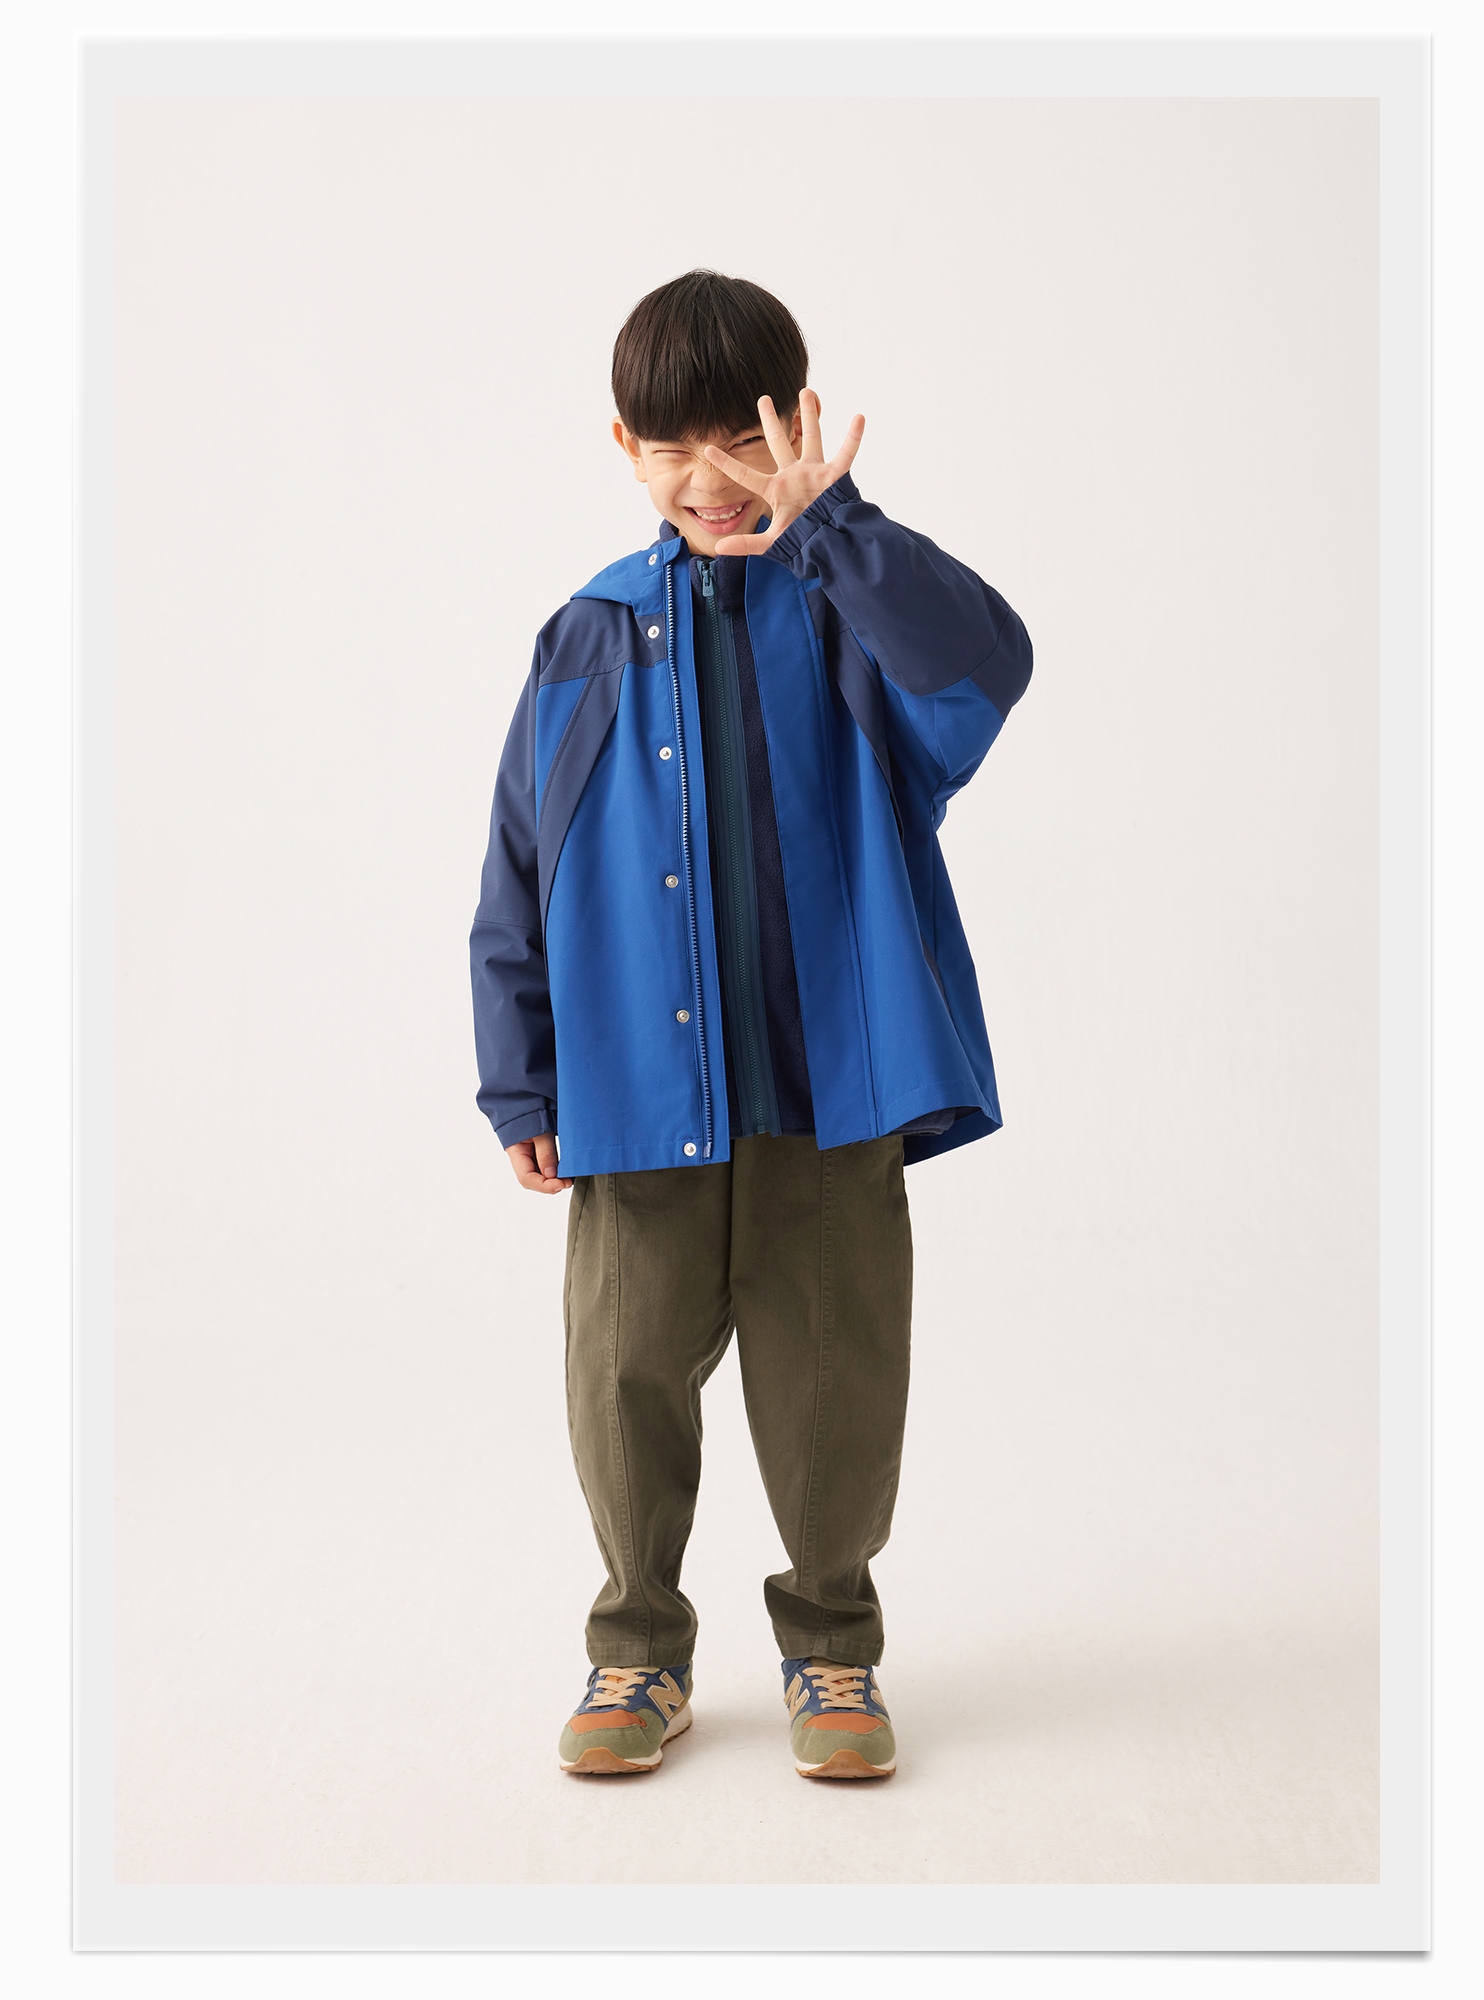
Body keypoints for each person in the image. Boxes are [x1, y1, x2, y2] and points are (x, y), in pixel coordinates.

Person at [469, 268, 1033, 1781]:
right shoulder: (586, 636)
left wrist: (837, 525)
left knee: (836, 1384)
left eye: (744, 437)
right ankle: (636, 1652)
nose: (713, 477)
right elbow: (520, 869)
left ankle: (833, 1649)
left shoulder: (848, 607)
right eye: (674, 446)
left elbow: (986, 670)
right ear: (624, 447)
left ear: (796, 424)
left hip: (824, 1090)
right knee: (622, 1380)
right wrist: (523, 1075)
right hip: (636, 1098)